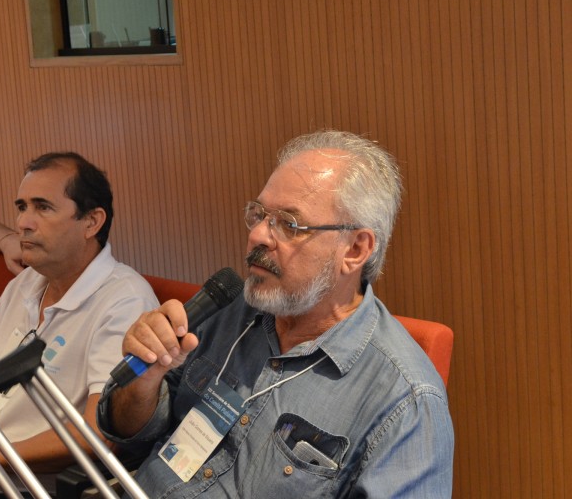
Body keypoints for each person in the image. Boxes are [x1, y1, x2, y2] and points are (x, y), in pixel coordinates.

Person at [98, 130, 454, 498]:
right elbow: (129, 437)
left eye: (289, 224)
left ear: (355, 250)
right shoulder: (228, 311)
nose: (259, 236)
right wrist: (145, 378)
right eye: (259, 215)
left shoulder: (406, 401)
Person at [0, 152, 160, 495]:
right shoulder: (27, 283)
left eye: (42, 207)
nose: (24, 223)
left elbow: (96, 434)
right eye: (22, 207)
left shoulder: (124, 300)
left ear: (91, 222)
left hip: (19, 485)